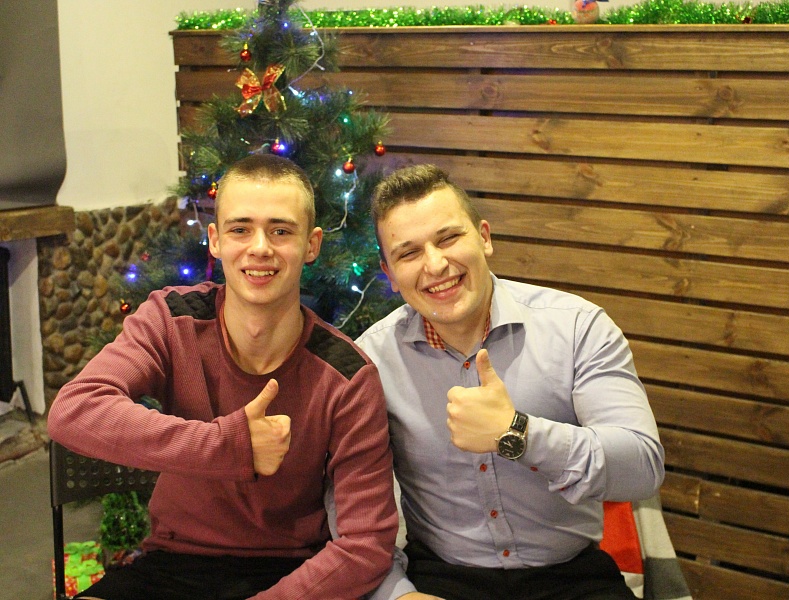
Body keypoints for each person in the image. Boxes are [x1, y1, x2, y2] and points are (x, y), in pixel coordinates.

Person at [47, 154, 398, 600]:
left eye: (281, 231)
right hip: (171, 565)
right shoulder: (171, 320)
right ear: (215, 240)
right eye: (240, 229)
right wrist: (228, 446)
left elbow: (366, 546)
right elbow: (74, 411)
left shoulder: (348, 376)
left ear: (312, 245)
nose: (260, 248)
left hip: (292, 576)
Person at [357, 164, 665, 600]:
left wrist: (517, 433)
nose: (435, 264)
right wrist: (397, 593)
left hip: (571, 576)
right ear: (388, 273)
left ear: (484, 237)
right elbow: (353, 507)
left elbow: (642, 468)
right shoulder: (370, 359)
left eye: (448, 238)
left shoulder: (578, 327)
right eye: (408, 254)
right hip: (442, 576)